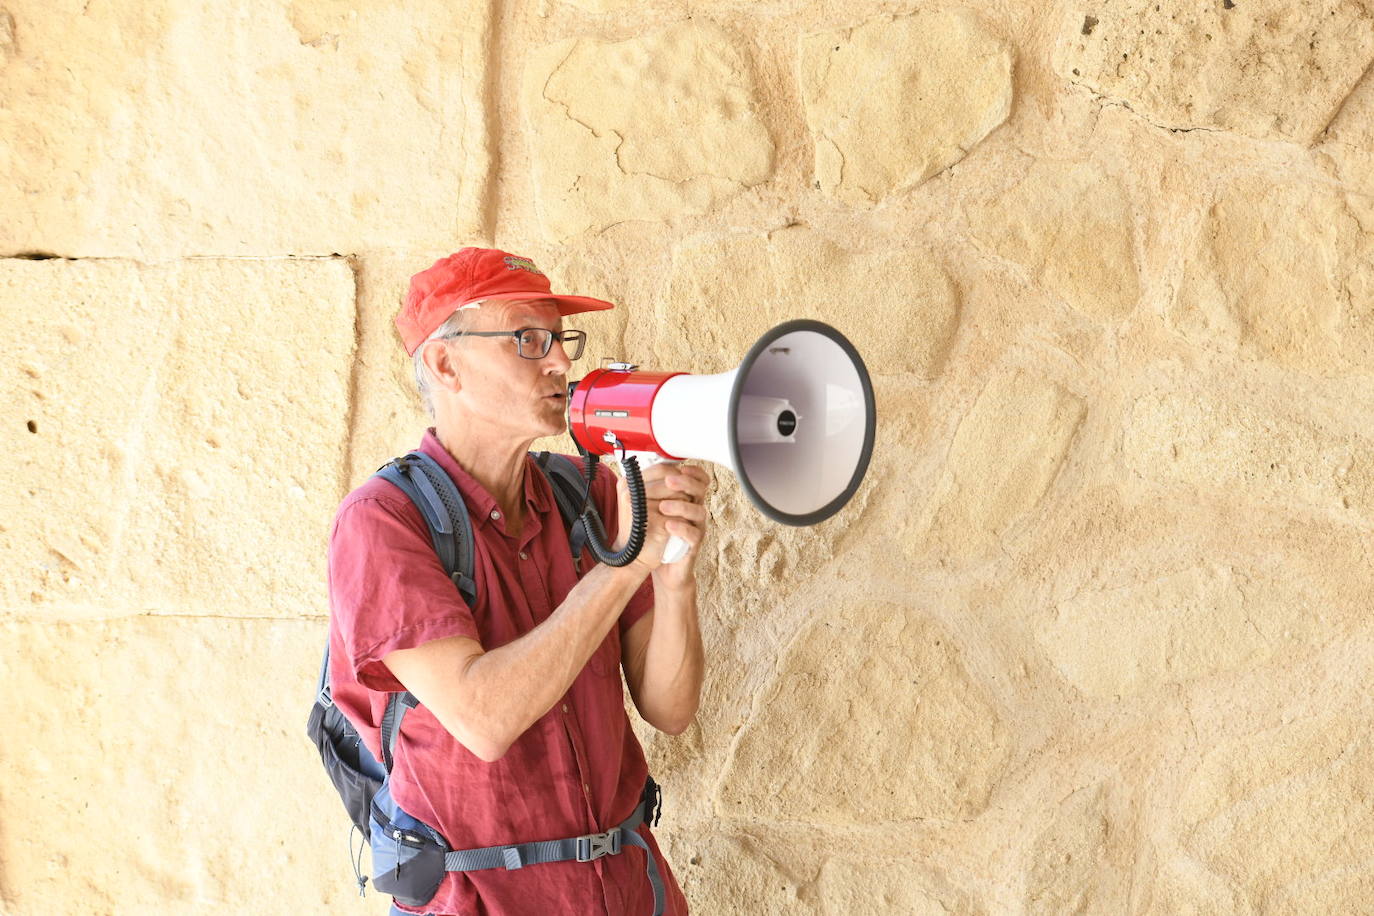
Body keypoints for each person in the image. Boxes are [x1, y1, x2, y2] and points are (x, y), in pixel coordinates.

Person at [326, 247, 708, 916]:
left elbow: (670, 710)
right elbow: (484, 719)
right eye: (530, 340)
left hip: (629, 892)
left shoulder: (587, 492)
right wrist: (628, 564)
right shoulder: (382, 522)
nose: (561, 361)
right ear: (446, 364)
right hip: (485, 901)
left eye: (561, 340)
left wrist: (673, 574)